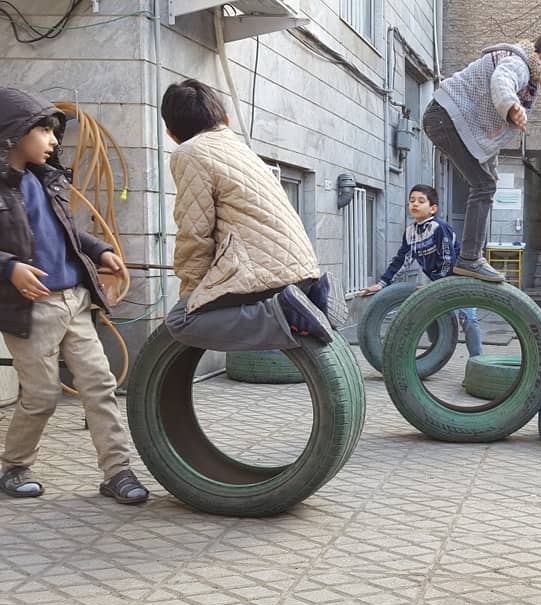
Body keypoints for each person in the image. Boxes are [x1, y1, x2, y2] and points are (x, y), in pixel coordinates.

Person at [0, 87, 149, 503]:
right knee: (42, 395)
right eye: (44, 131)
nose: (53, 140)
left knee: (100, 385)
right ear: (14, 133)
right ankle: (14, 466)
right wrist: (9, 267)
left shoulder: (47, 181)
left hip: (75, 301)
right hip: (31, 310)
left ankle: (117, 472)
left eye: (54, 132)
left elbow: (65, 232)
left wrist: (98, 249)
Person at [160, 79, 345, 352]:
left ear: (171, 134)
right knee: (203, 307)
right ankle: (314, 297)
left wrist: (191, 295)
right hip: (299, 265)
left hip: (260, 268)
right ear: (225, 120)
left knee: (181, 321)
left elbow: (194, 232)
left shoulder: (190, 152)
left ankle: (283, 314)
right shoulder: (240, 149)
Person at [425, 29, 541, 282]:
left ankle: (471, 257)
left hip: (448, 120)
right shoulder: (519, 64)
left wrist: (491, 168)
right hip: (445, 118)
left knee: (485, 184)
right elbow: (501, 80)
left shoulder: (526, 77)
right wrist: (512, 106)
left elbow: (486, 136)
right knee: (482, 187)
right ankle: (470, 258)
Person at [359, 185, 483, 356]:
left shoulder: (439, 228)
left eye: (421, 201)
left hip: (461, 277)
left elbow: (448, 260)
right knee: (430, 314)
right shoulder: (410, 232)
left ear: (433, 208)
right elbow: (402, 260)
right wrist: (382, 283)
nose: (415, 204)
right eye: (411, 201)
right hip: (436, 281)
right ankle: (437, 353)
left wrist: (434, 285)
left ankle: (477, 359)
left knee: (467, 317)